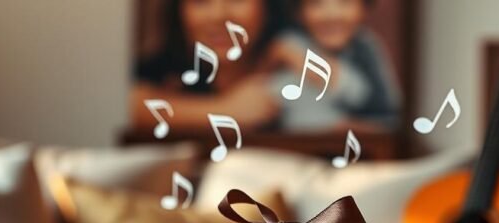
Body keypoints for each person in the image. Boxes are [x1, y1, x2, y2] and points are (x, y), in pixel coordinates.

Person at [130, 0, 287, 136]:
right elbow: (128, 105)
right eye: (201, 1)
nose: (218, 15)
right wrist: (226, 111)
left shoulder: (287, 64)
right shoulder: (162, 70)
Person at [267, 0, 401, 132]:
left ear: (363, 9)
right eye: (316, 3)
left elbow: (385, 107)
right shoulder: (289, 43)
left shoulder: (366, 47)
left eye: (345, 2)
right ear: (299, 12)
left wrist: (302, 61)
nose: (331, 15)